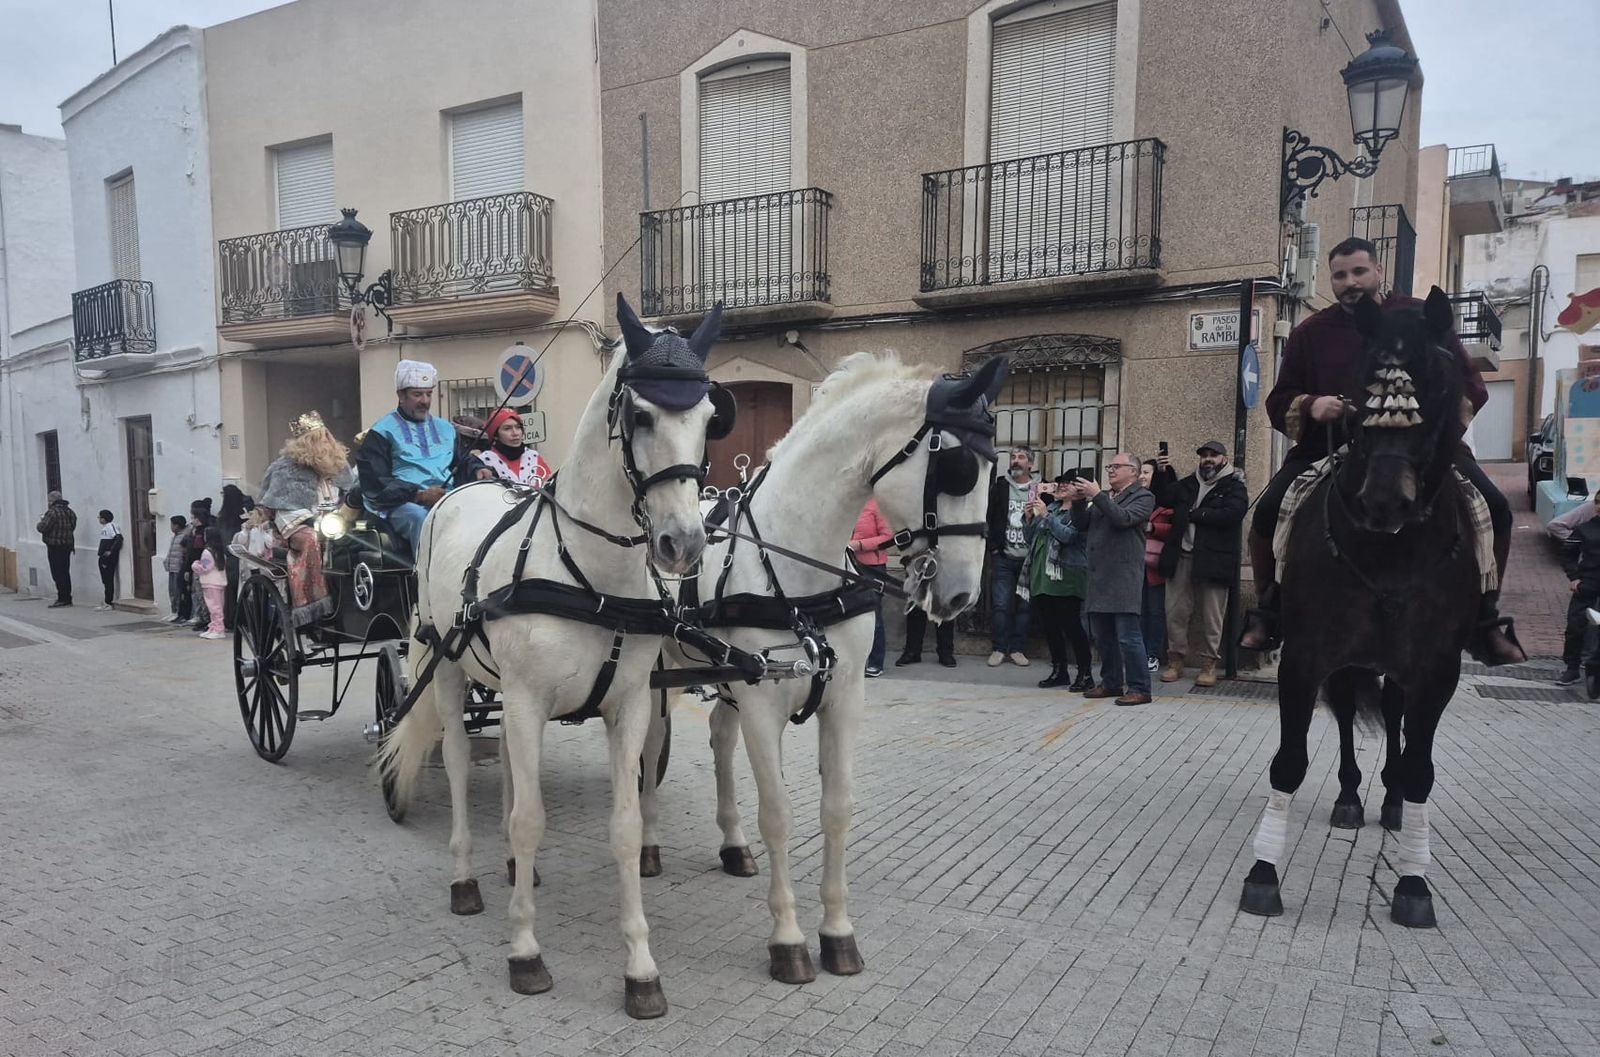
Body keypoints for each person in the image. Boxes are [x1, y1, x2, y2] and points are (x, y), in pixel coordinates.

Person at [1240, 237, 1522, 665]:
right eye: (1339, 275)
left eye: (1358, 271)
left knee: (1496, 507)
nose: (1350, 282)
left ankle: (1486, 618)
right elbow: (1281, 400)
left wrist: (1432, 433)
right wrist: (1313, 404)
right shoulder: (1310, 333)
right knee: (1265, 514)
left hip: (1422, 449)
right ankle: (1270, 611)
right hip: (1329, 449)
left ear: (1378, 272)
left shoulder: (1424, 318)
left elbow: (1471, 386)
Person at [1152, 440, 1249, 687]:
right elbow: (1163, 498)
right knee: (1175, 613)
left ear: (1224, 459)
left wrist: (1196, 515)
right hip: (1181, 557)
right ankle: (1176, 662)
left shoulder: (1234, 486)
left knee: (1212, 616)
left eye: (1213, 455)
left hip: (1214, 560)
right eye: (1204, 455)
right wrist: (1162, 472)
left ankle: (1208, 666)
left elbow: (1233, 514)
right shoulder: (1187, 484)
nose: (1207, 459)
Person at [357, 359, 474, 551]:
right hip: (401, 504)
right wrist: (419, 495)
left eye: (429, 394)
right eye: (417, 394)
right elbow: (376, 481)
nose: (425, 401)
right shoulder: (381, 431)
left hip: (446, 497)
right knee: (420, 518)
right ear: (401, 395)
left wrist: (479, 470)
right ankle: (426, 575)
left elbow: (462, 462)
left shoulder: (447, 429)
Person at [1070, 454, 1155, 705]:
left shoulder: (1143, 496)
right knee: (1103, 636)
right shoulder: (1105, 496)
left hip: (1123, 576)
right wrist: (1077, 501)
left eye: (1117, 466)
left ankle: (1140, 687)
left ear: (1134, 471)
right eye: (1110, 466)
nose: (1111, 470)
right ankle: (1111, 682)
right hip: (1099, 576)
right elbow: (1081, 524)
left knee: (1128, 636)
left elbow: (1124, 519)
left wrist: (1096, 495)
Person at [260, 411, 355, 626]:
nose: (324, 443)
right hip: (298, 527)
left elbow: (350, 492)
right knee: (311, 539)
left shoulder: (339, 465)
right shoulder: (285, 468)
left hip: (337, 522)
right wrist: (310, 521)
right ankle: (314, 605)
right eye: (317, 438)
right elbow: (282, 506)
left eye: (326, 437)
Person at [1023, 472, 1095, 691]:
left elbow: (1069, 537)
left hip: (1068, 574)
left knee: (1072, 625)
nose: (1062, 487)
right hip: (1043, 574)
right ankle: (1059, 670)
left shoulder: (1084, 510)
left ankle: (1085, 673)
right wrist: (1029, 520)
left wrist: (1046, 517)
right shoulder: (1052, 508)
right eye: (1060, 483)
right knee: (1050, 626)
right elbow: (1030, 539)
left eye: (1068, 484)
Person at [985, 448, 1040, 666]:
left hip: (1030, 560)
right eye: (1013, 457)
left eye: (1021, 458)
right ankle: (999, 648)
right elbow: (988, 516)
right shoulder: (1000, 487)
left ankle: (1017, 648)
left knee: (1025, 607)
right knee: (1000, 605)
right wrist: (994, 548)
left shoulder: (1039, 489)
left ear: (1030, 464)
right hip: (1004, 558)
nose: (1015, 462)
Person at [1554, 490, 1600, 685]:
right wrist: (1573, 578)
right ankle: (1572, 668)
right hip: (1587, 582)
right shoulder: (1585, 529)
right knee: (1575, 626)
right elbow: (1568, 553)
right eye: (1597, 502)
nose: (1599, 506)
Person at [849, 498, 893, 677]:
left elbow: (888, 538)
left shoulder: (876, 505)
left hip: (872, 567)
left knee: (873, 615)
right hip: (848, 564)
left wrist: (859, 545)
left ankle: (876, 661)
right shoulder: (849, 503)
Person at [1140, 458, 1173, 676]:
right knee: (1138, 611)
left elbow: (1174, 527)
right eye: (1140, 471)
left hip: (1155, 565)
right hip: (1134, 563)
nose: (1142, 476)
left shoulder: (1165, 500)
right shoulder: (1135, 498)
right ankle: (1139, 652)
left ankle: (1153, 653)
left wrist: (1153, 527)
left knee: (1155, 611)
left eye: (1147, 472)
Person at [474, 408, 552, 487]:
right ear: (496, 435)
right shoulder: (483, 461)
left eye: (518, 427)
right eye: (507, 429)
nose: (515, 433)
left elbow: (550, 488)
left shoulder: (533, 457)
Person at [218, 484, 253, 631]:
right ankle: (245, 618)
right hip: (245, 553)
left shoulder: (226, 514)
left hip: (234, 555)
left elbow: (224, 536)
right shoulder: (246, 507)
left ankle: (235, 618)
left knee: (233, 588)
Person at [36, 491, 77, 608]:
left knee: (57, 573)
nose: (48, 502)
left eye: (49, 500)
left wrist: (40, 521)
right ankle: (67, 598)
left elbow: (43, 527)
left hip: (55, 546)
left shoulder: (52, 512)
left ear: (52, 501)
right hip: (68, 546)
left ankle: (62, 598)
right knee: (65, 572)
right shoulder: (70, 512)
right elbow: (73, 527)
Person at [183, 499, 216, 630]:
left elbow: (198, 551)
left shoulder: (205, 531)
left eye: (193, 518)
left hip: (203, 566)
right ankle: (202, 618)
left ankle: (209, 620)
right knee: (197, 594)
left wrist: (197, 566)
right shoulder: (194, 531)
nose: (192, 521)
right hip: (195, 565)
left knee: (206, 596)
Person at [192, 527, 229, 640]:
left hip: (210, 583)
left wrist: (195, 565)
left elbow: (205, 567)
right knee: (216, 607)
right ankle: (213, 628)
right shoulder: (219, 551)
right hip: (218, 582)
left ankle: (218, 629)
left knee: (214, 608)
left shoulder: (207, 552)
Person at [95, 509, 123, 611]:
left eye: (99, 517)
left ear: (104, 518)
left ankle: (108, 602)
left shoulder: (112, 526)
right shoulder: (105, 528)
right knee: (105, 579)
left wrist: (111, 551)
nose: (99, 519)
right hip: (103, 557)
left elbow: (118, 538)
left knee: (108, 579)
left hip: (108, 558)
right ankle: (106, 601)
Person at [163, 515, 190, 623]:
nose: (170, 527)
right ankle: (173, 611)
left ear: (177, 526)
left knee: (177, 591)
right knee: (172, 591)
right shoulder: (175, 536)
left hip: (178, 567)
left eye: (172, 524)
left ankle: (178, 612)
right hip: (171, 567)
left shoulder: (184, 536)